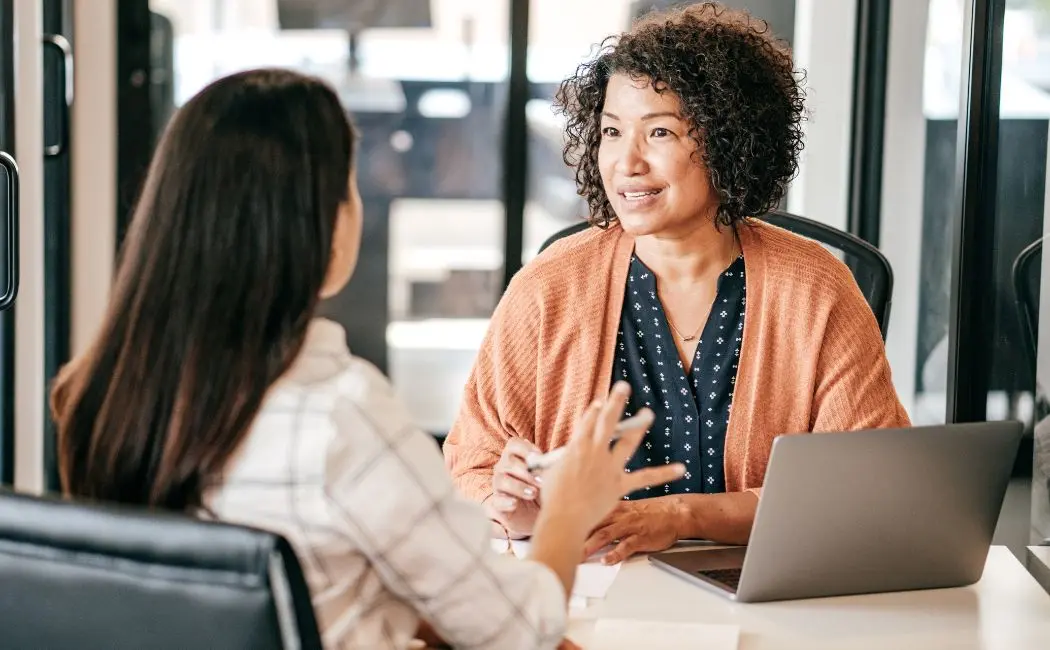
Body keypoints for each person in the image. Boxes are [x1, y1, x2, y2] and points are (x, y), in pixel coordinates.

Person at [49, 68, 683, 650]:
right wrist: (568, 511)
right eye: (350, 187)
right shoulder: (341, 415)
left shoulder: (99, 395)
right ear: (318, 225)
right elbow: (519, 631)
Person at [443, 2, 910, 565]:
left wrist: (684, 516)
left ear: (728, 139)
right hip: (591, 584)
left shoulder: (815, 287)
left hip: (760, 587)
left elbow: (863, 485)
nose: (626, 162)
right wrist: (512, 507)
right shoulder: (549, 286)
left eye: (659, 131)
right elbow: (472, 464)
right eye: (612, 131)